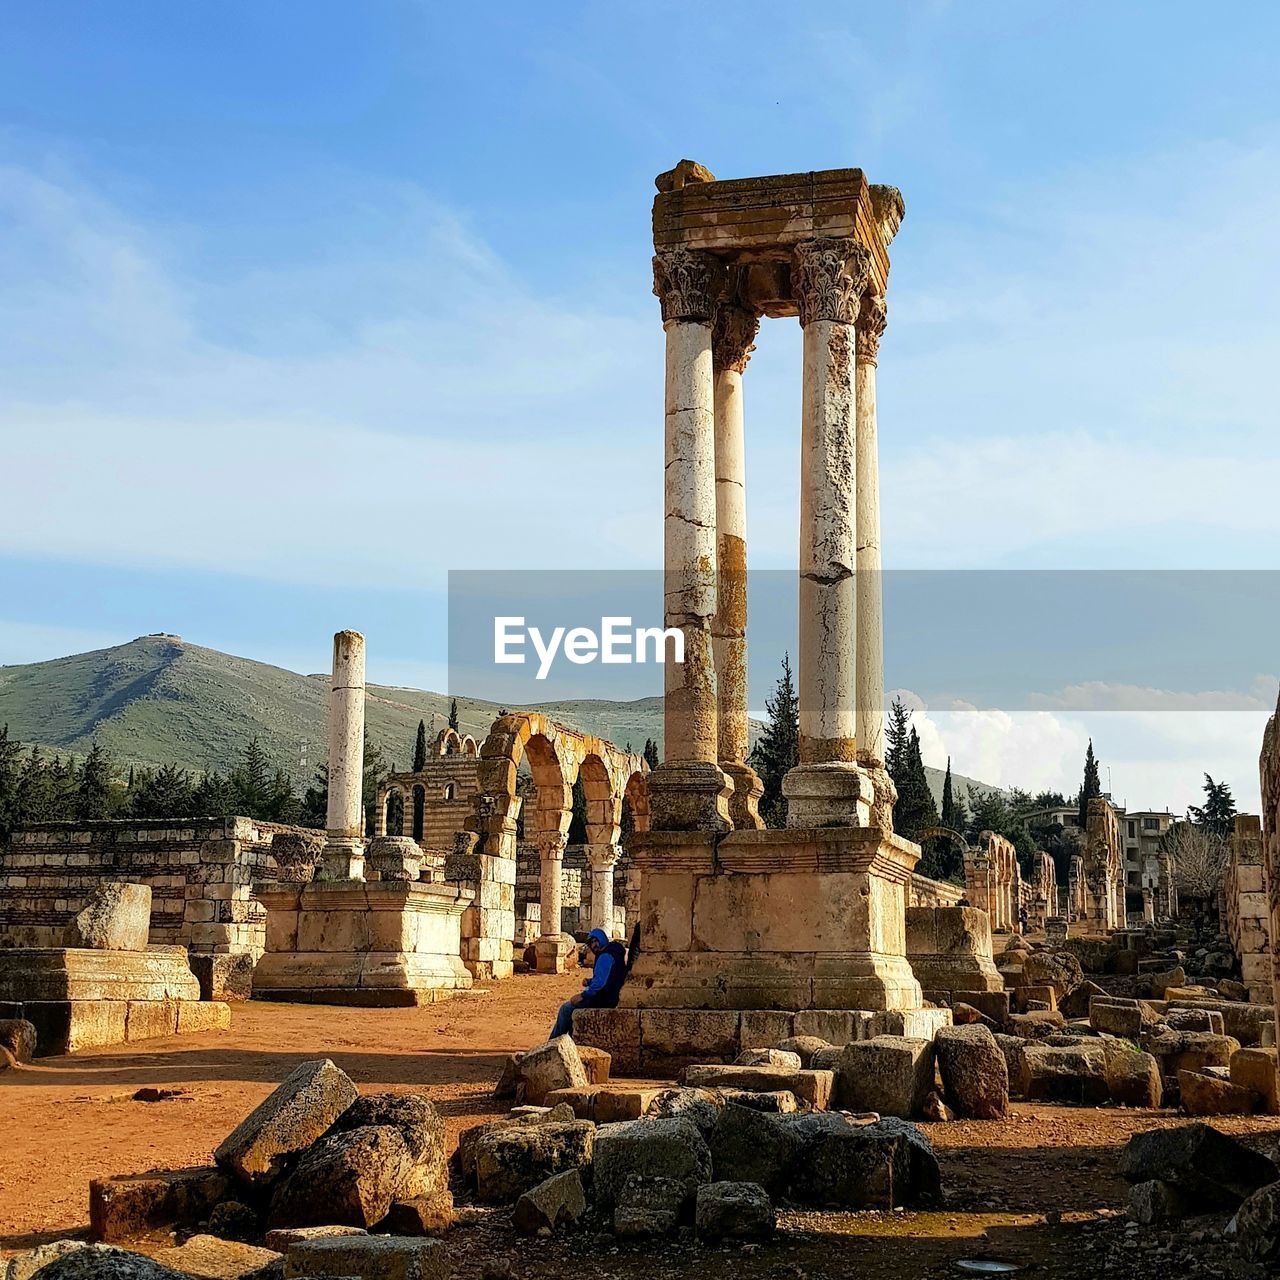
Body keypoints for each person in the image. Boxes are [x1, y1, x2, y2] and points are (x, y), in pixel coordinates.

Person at [549, 927, 628, 1040]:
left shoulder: (605, 956)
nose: (595, 945)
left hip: (604, 999)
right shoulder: (613, 952)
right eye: (592, 943)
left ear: (603, 940)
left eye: (597, 941)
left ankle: (552, 1042)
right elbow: (608, 977)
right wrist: (590, 981)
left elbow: (599, 985)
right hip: (611, 996)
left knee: (566, 1009)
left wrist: (582, 996)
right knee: (572, 1012)